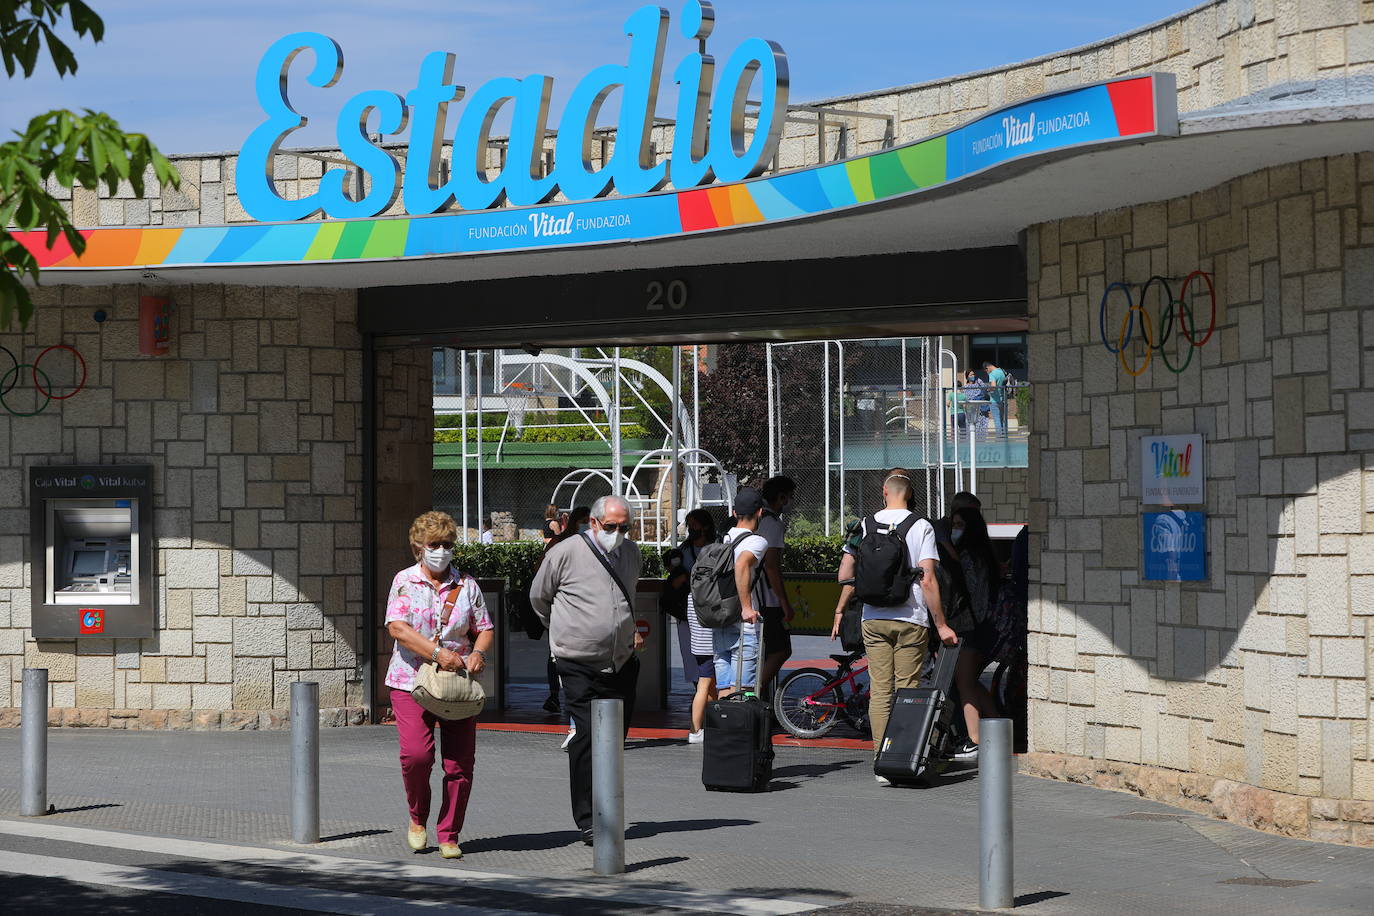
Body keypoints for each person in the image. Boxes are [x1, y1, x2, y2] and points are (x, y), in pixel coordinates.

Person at [529, 495, 644, 846]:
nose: (618, 533)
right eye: (611, 527)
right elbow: (539, 597)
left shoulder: (631, 553)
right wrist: (565, 630)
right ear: (593, 523)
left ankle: (608, 807)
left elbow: (628, 598)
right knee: (588, 737)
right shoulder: (564, 553)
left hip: (621, 661)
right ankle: (588, 818)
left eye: (625, 527)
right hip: (577, 660)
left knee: (614, 738)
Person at [384, 511, 495, 860]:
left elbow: (485, 627)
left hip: (456, 684)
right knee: (417, 755)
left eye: (447, 544)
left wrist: (477, 653)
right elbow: (398, 628)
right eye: (435, 544)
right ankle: (418, 818)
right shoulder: (404, 581)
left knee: (460, 763)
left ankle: (450, 833)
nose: (442, 551)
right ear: (419, 547)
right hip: (410, 681)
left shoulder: (467, 585)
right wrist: (436, 653)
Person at [844, 468, 957, 784]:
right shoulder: (921, 526)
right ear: (909, 495)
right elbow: (929, 578)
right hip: (910, 618)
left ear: (884, 491)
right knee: (907, 690)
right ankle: (902, 757)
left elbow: (845, 570)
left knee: (879, 690)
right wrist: (942, 624)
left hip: (873, 617)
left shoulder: (863, 525)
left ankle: (881, 759)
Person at [947, 505, 1004, 760]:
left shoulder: (969, 556)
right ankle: (999, 728)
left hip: (969, 627)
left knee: (964, 683)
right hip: (979, 627)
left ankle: (975, 740)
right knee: (971, 682)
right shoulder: (984, 553)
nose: (955, 530)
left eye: (959, 525)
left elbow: (971, 593)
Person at [665, 508, 718, 743]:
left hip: (712, 610)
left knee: (710, 661)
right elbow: (676, 580)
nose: (692, 528)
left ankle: (705, 705)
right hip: (689, 611)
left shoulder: (717, 546)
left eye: (695, 524)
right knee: (695, 660)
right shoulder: (684, 551)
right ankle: (705, 703)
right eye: (689, 524)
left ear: (705, 525)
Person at [713, 488, 770, 698]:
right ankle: (740, 730)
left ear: (735, 513)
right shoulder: (757, 541)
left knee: (724, 688)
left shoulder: (722, 539)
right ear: (760, 512)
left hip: (720, 620)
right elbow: (742, 564)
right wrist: (747, 608)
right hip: (744, 627)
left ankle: (722, 730)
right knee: (743, 689)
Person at [537, 505, 591, 720]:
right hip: (562, 613)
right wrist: (548, 616)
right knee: (557, 656)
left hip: (583, 614)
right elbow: (539, 586)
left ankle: (568, 704)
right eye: (584, 521)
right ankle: (557, 697)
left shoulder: (595, 546)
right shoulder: (560, 545)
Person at [756, 476, 796, 695]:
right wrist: (785, 603)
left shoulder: (752, 518)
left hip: (748, 595)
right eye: (789, 497)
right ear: (781, 497)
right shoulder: (772, 523)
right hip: (767, 599)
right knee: (781, 650)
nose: (789, 502)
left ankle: (750, 691)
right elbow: (771, 566)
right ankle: (753, 691)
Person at [984, 361, 1009, 437]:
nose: (987, 373)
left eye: (986, 371)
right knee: (1003, 419)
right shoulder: (1001, 371)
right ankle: (1005, 436)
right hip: (1003, 399)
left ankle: (999, 437)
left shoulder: (992, 374)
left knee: (997, 420)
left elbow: (993, 386)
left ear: (987, 368)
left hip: (994, 400)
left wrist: (988, 390)